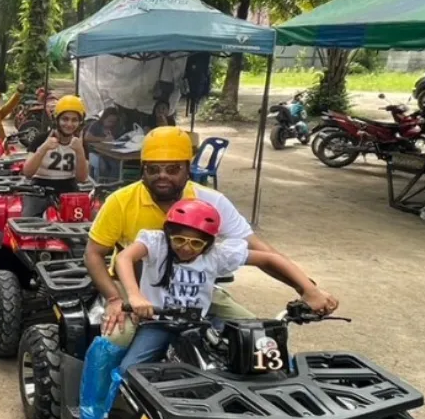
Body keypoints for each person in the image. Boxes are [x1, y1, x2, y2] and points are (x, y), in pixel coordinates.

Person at [84, 126, 336, 347]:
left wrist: (308, 288)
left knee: (255, 332)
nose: (163, 175)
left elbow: (263, 252)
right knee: (117, 337)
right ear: (143, 170)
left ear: (187, 168)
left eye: (173, 169)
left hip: (192, 287)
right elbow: (94, 255)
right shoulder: (120, 201)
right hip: (136, 289)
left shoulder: (211, 202)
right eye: (153, 169)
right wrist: (116, 298)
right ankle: (98, 400)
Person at [112, 198, 335, 369]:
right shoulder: (156, 244)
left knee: (241, 358)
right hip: (159, 323)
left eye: (196, 243)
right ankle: (111, 417)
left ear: (209, 243)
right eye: (179, 240)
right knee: (128, 371)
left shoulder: (217, 255)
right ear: (168, 234)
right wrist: (134, 295)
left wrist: (309, 290)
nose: (186, 248)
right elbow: (124, 258)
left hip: (199, 325)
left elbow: (270, 258)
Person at [19, 93, 89, 217]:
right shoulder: (41, 139)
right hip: (39, 187)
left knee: (85, 220)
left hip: (69, 188)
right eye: (65, 119)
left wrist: (80, 152)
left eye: (74, 120)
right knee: (28, 220)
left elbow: (81, 178)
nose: (69, 124)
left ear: (80, 123)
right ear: (56, 120)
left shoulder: (80, 144)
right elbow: (28, 172)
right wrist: (44, 148)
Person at [83, 105, 129, 183]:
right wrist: (103, 139)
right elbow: (87, 137)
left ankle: (111, 184)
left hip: (109, 152)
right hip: (95, 152)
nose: (111, 124)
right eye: (109, 121)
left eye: (113, 122)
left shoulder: (115, 127)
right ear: (104, 118)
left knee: (115, 165)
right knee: (103, 167)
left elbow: (118, 138)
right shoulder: (96, 125)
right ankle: (100, 183)